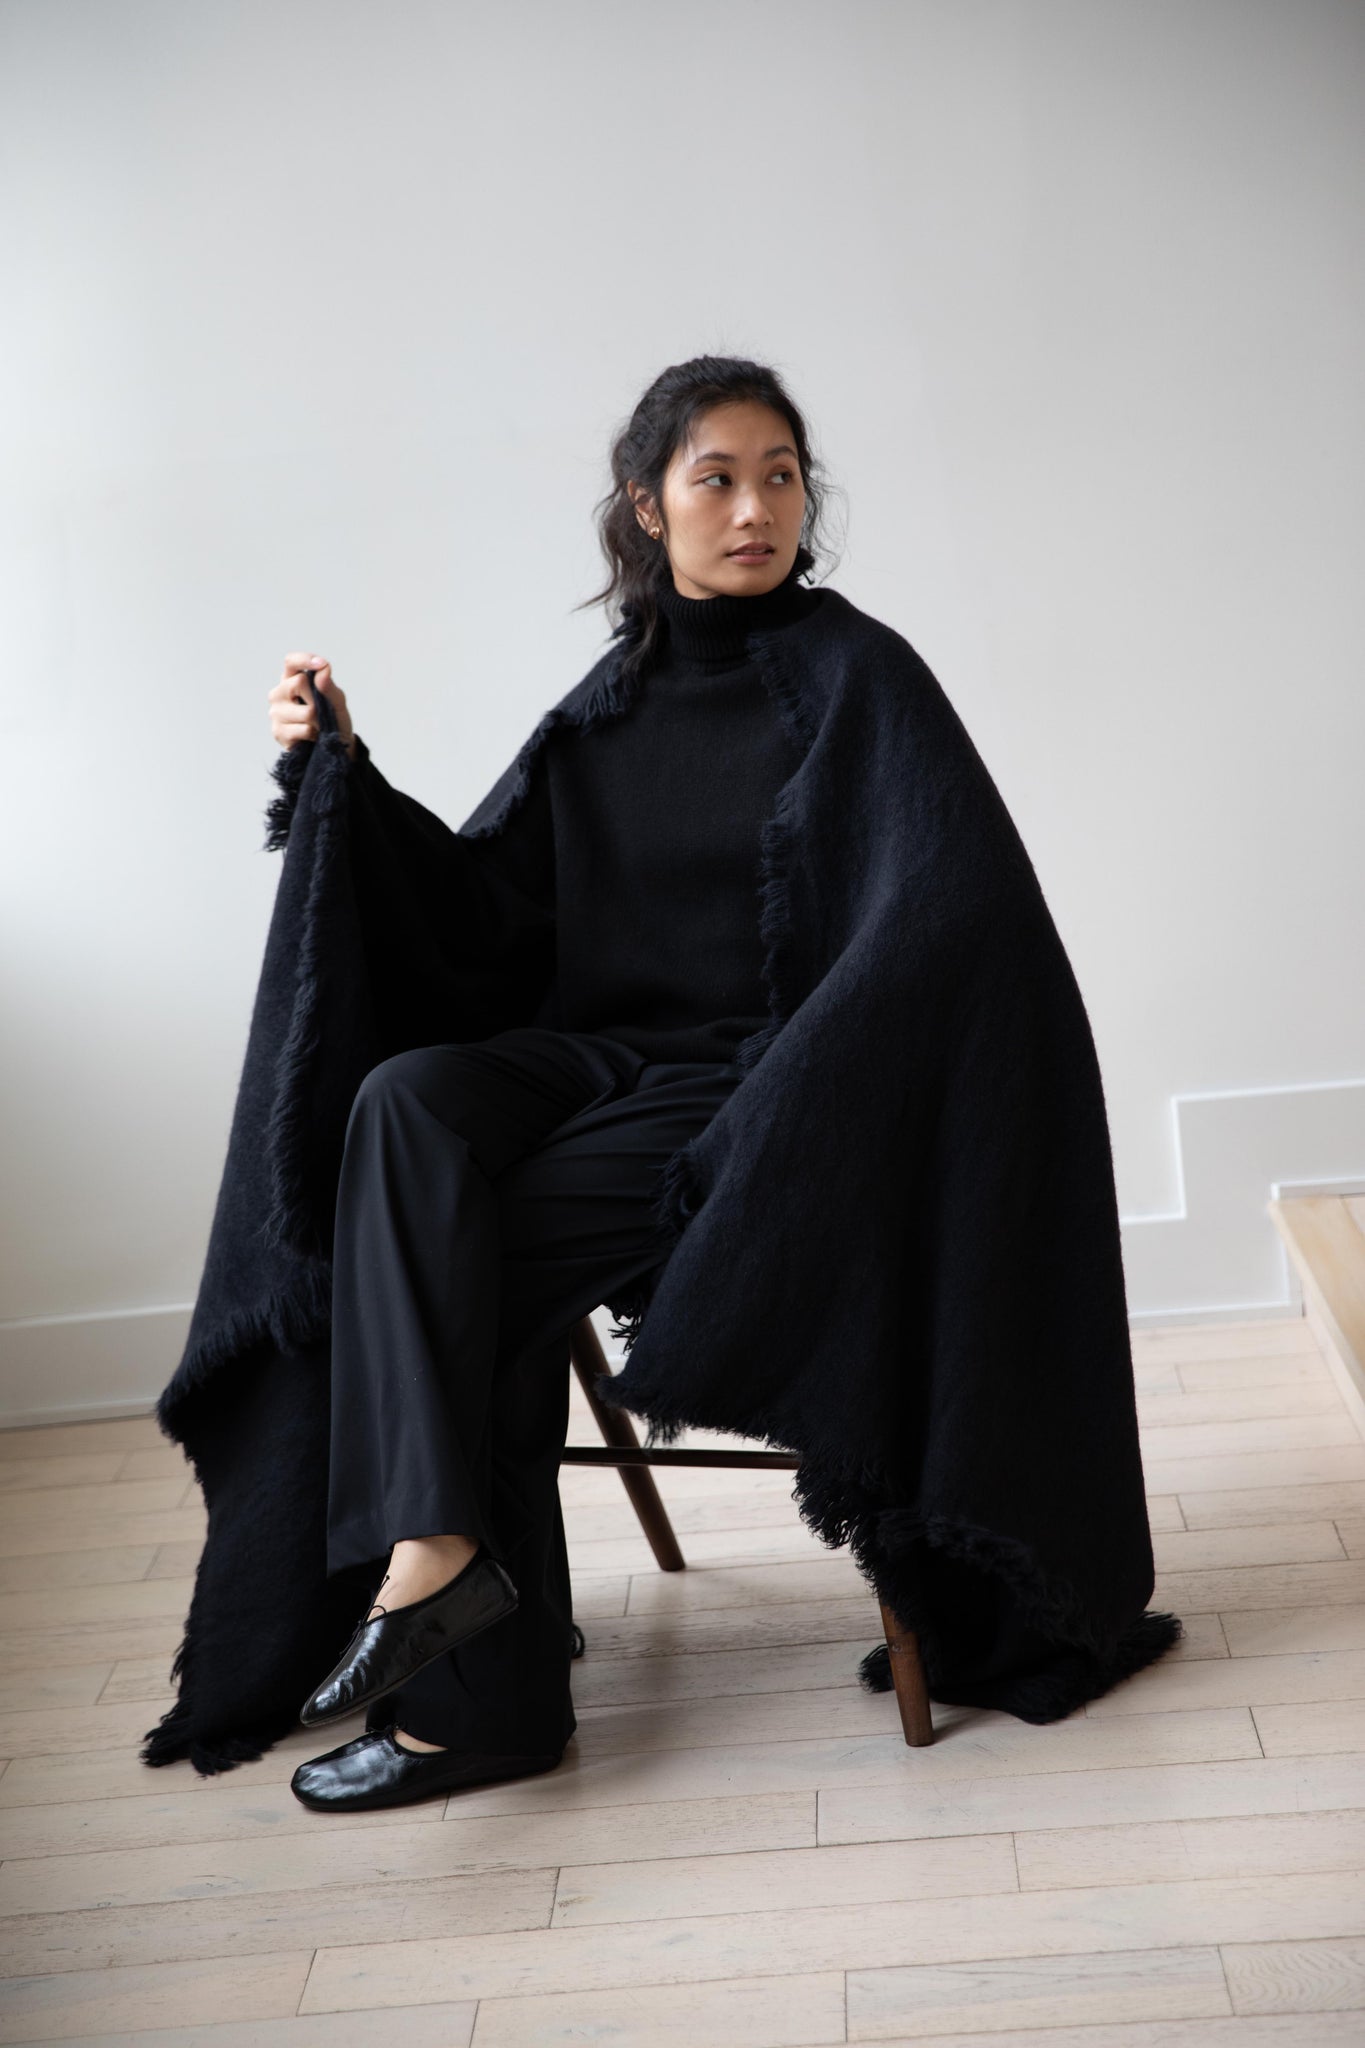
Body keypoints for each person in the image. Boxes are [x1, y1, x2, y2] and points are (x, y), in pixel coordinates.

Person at [271, 355, 842, 1812]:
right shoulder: (620, 695)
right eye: (717, 477)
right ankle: (446, 1557)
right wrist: (345, 771)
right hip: (609, 1058)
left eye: (780, 475)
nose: (755, 507)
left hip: (762, 1077)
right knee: (405, 1100)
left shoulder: (856, 680)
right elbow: (485, 906)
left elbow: (942, 913)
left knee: (457, 1255)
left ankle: (481, 1686)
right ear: (648, 506)